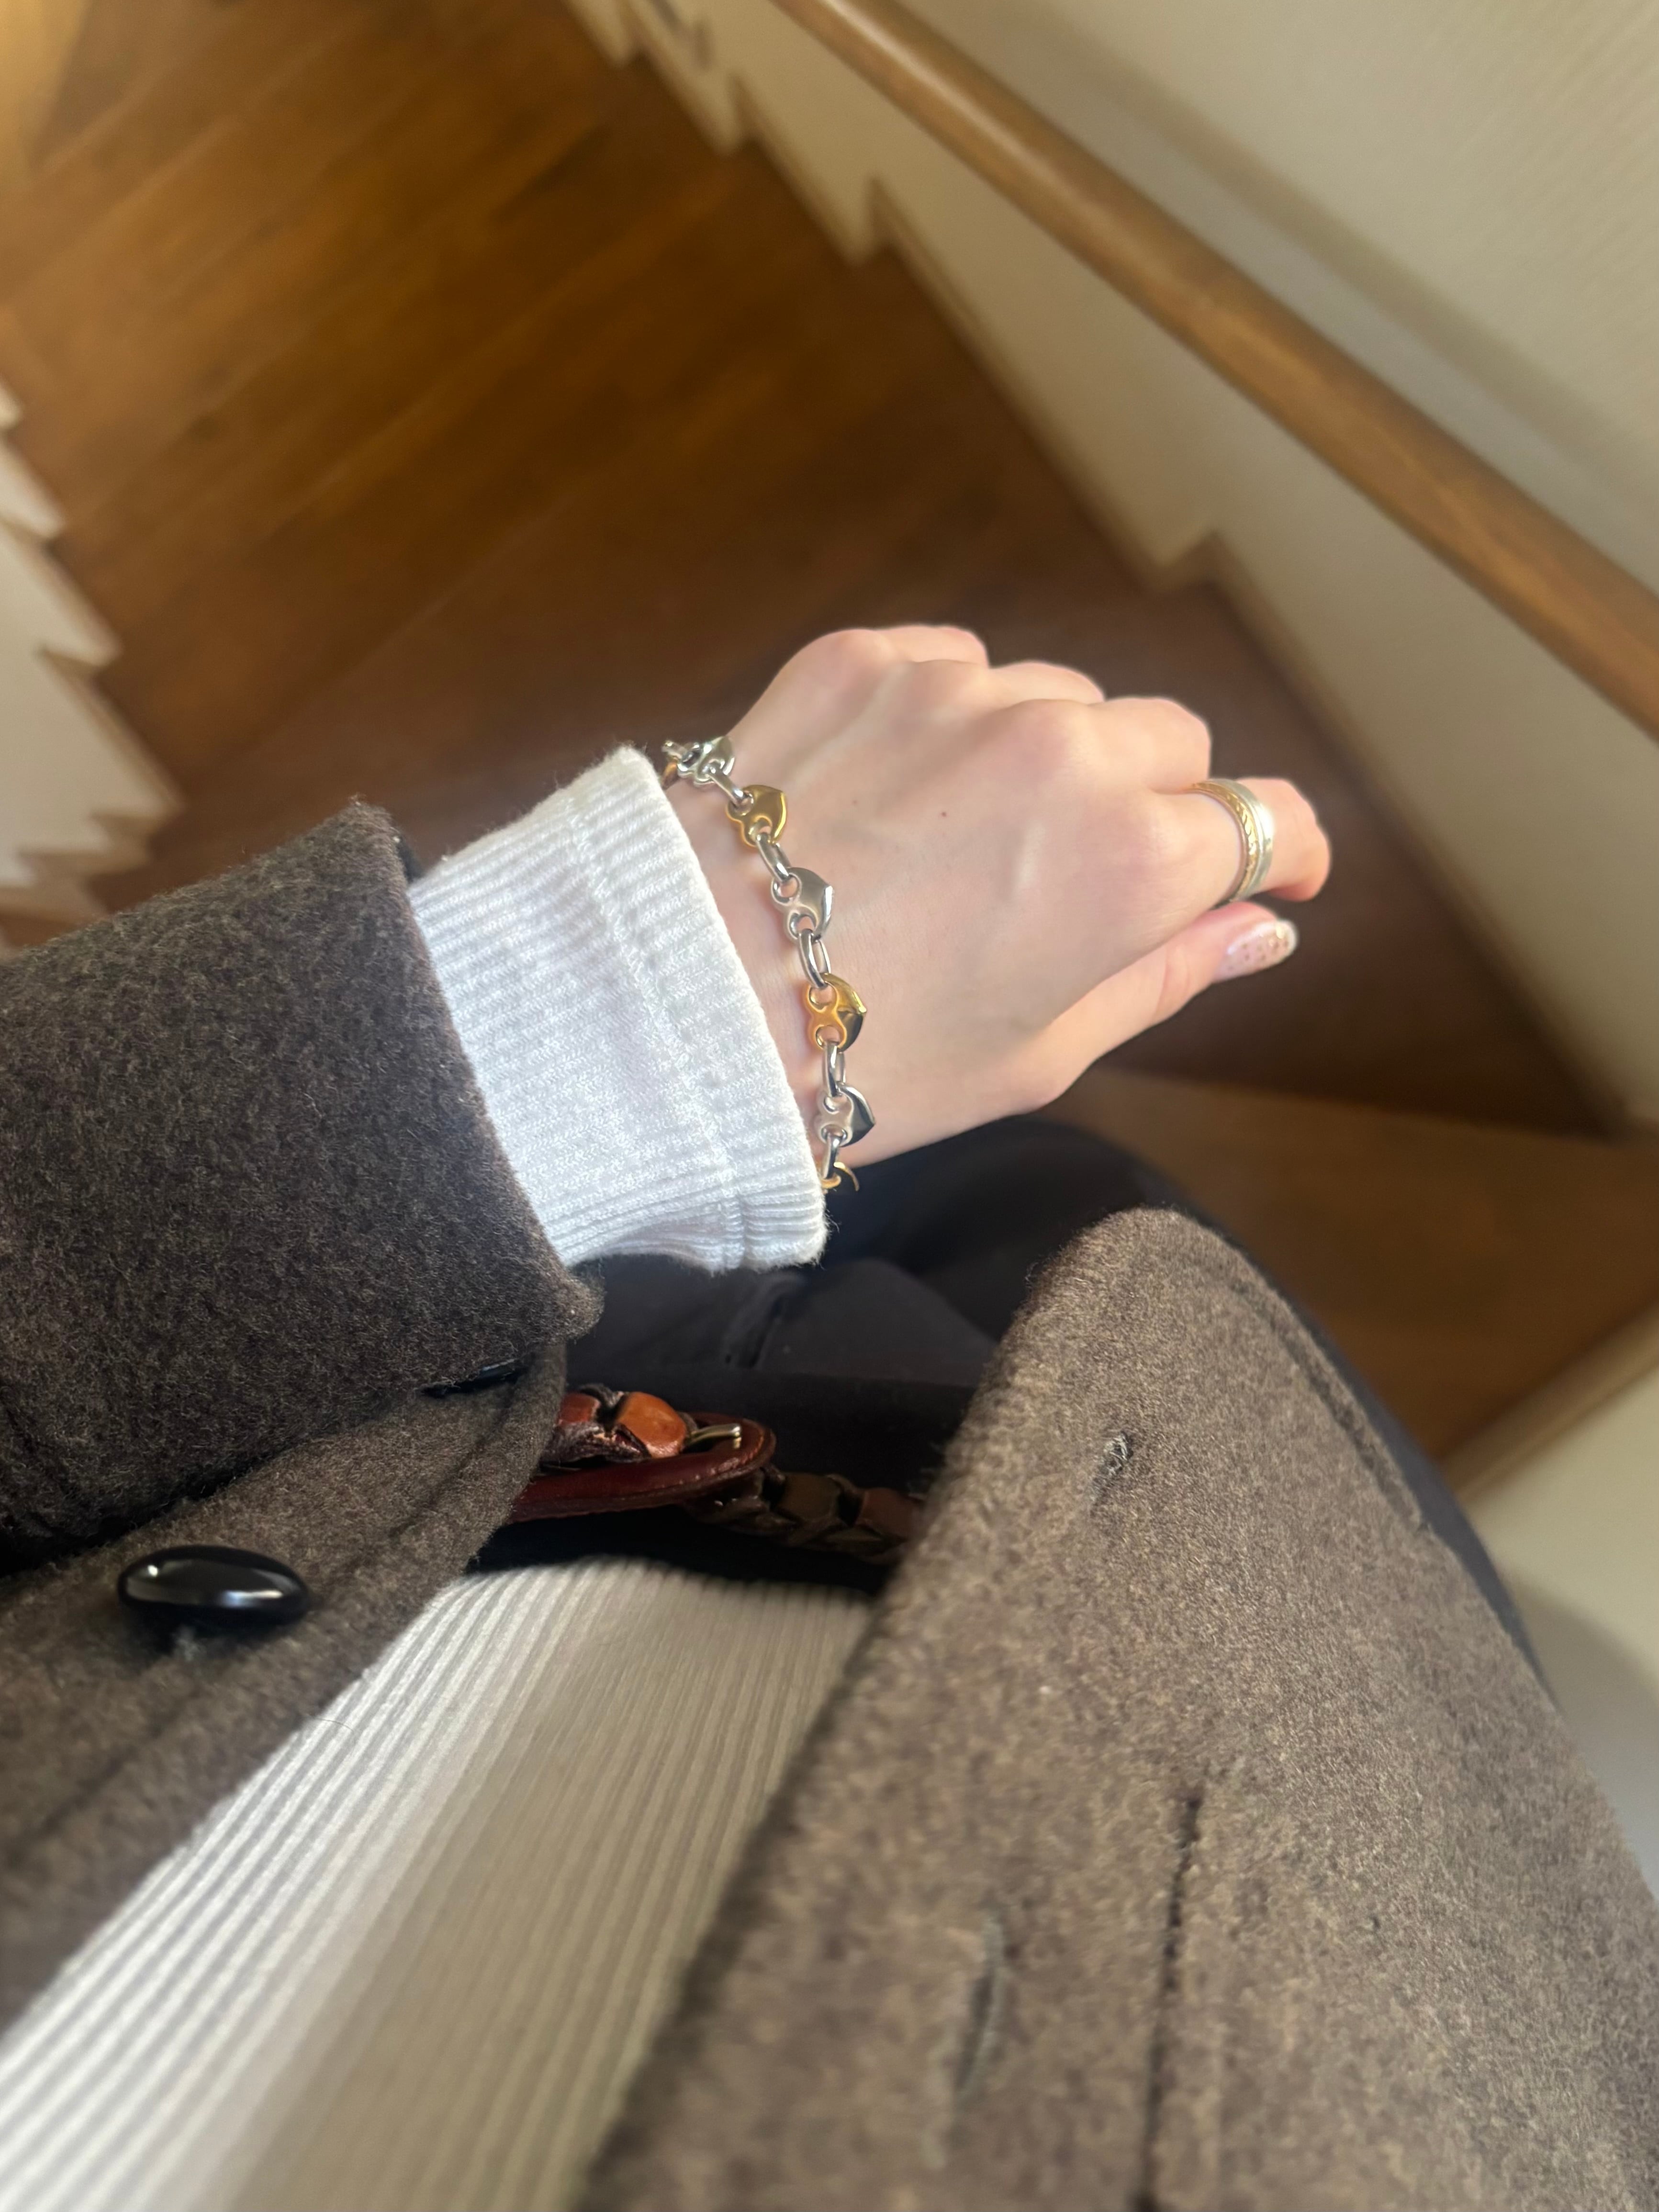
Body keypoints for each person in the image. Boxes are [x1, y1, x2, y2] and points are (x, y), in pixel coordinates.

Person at [0, 628, 1654, 2212]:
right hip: (1389, 1770)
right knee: (1061, 1183)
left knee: (1032, 1156)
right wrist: (624, 1015)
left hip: (487, 1392)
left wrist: (571, 1028)